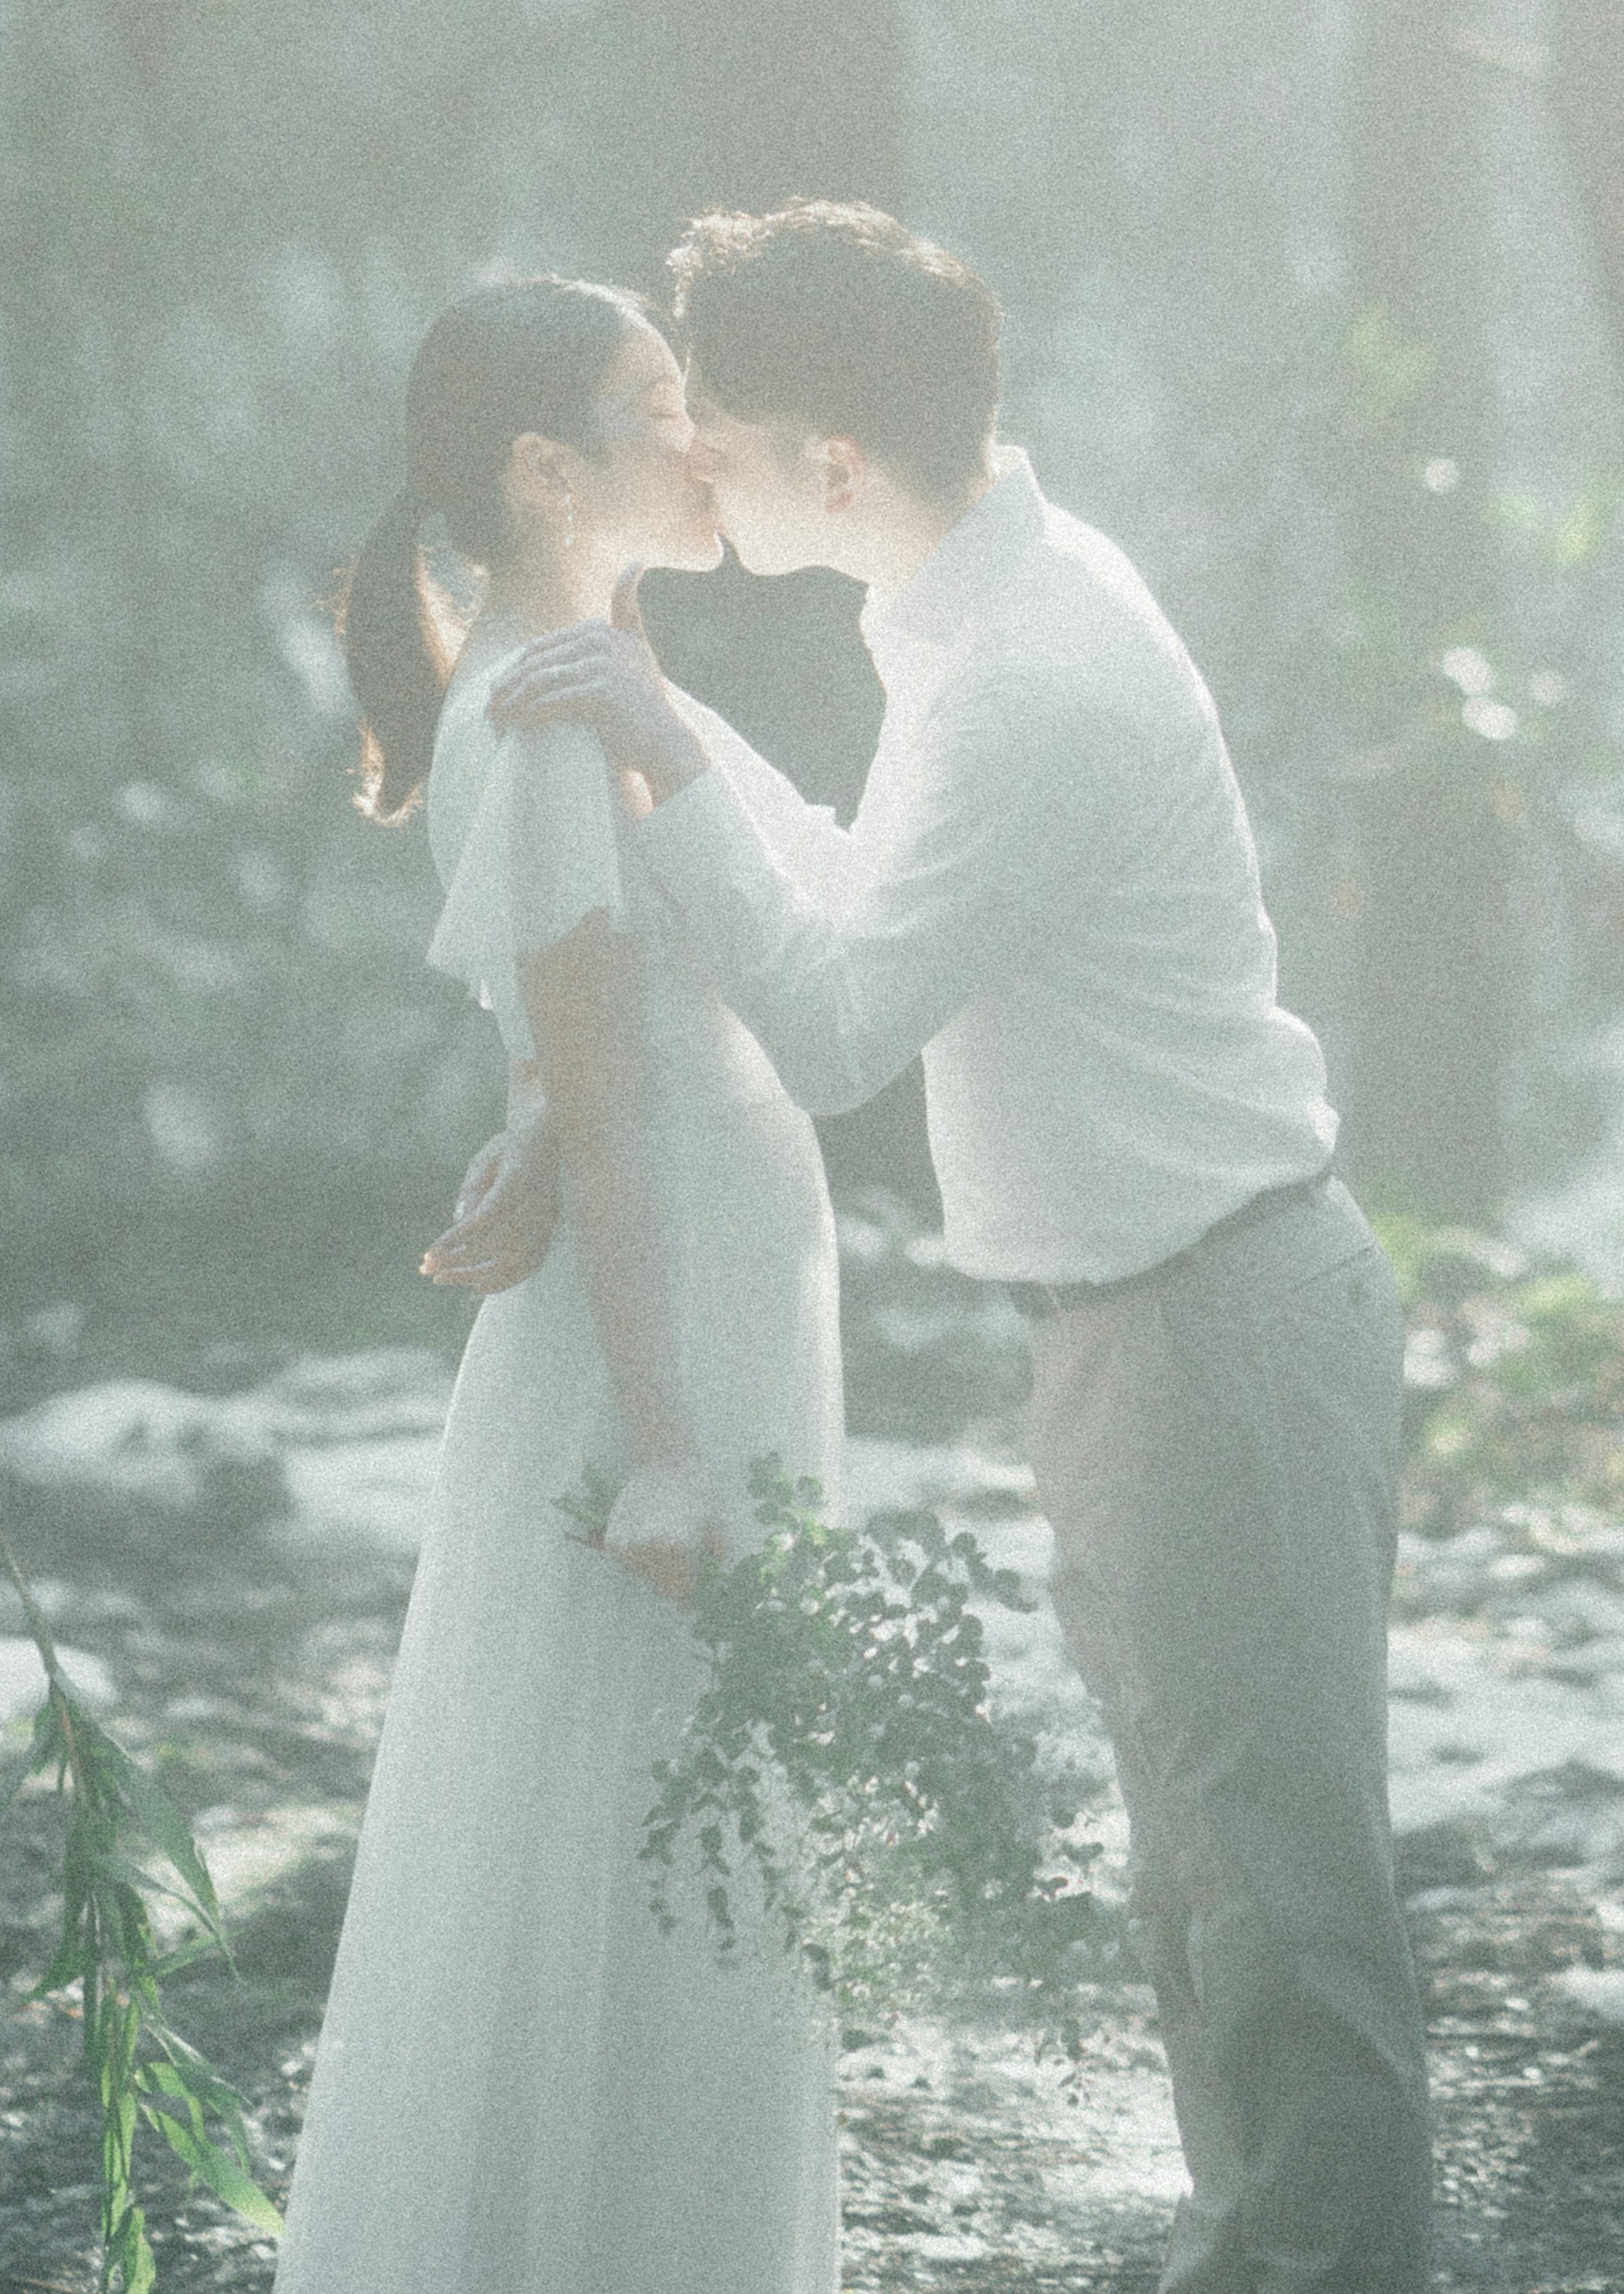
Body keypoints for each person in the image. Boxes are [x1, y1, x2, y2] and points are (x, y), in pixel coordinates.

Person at [472, 201, 1432, 2294]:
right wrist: (676, 726)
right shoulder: (977, 616)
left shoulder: (1030, 682)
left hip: (1217, 1328)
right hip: (1152, 1327)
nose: (693, 459)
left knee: (1284, 1906)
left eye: (717, 426)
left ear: (835, 467)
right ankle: (1255, 2254)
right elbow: (859, 914)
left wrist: (654, 744)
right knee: (1208, 1889)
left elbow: (828, 1027)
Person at [271, 276, 842, 2294]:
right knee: (646, 1845)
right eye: (660, 402)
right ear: (544, 468)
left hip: (702, 1299)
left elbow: (605, 1040)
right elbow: (606, 1100)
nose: (703, 442)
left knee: (674, 1842)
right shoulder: (539, 708)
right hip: (657, 1341)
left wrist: (538, 1111)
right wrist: (674, 1443)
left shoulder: (590, 677)